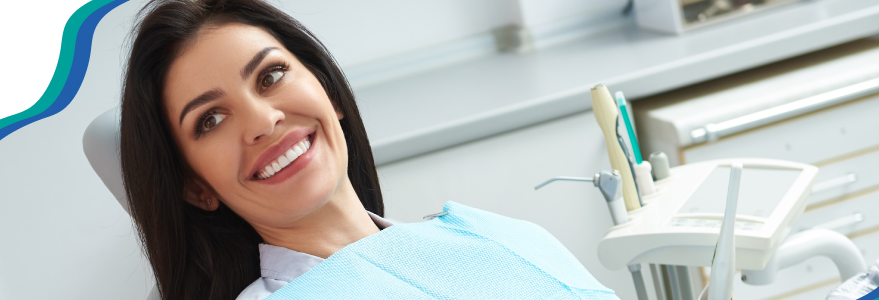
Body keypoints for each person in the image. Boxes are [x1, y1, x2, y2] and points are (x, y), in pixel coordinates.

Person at [119, 1, 616, 299]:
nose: (264, 121)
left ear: (330, 93)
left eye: (270, 76)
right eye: (211, 119)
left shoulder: (497, 236)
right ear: (195, 186)